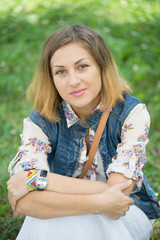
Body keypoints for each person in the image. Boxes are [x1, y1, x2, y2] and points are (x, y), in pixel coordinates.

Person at [7, 24, 160, 240]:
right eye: (61, 71)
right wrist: (98, 199)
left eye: (82, 67)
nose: (73, 81)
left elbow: (119, 195)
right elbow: (25, 203)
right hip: (64, 214)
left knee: (55, 216)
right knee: (53, 217)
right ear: (51, 78)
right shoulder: (41, 121)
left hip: (126, 216)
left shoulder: (132, 115)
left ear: (102, 66)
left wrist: (39, 180)